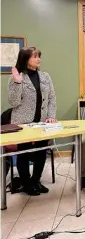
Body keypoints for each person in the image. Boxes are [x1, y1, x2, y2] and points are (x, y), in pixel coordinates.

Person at [8, 47, 57, 196]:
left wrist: (51, 115)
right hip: (23, 123)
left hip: (42, 123)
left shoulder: (45, 76)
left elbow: (51, 98)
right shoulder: (17, 77)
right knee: (24, 152)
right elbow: (13, 102)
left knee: (41, 152)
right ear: (25, 59)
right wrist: (17, 83)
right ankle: (26, 183)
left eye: (39, 56)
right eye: (35, 56)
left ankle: (35, 180)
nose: (38, 59)